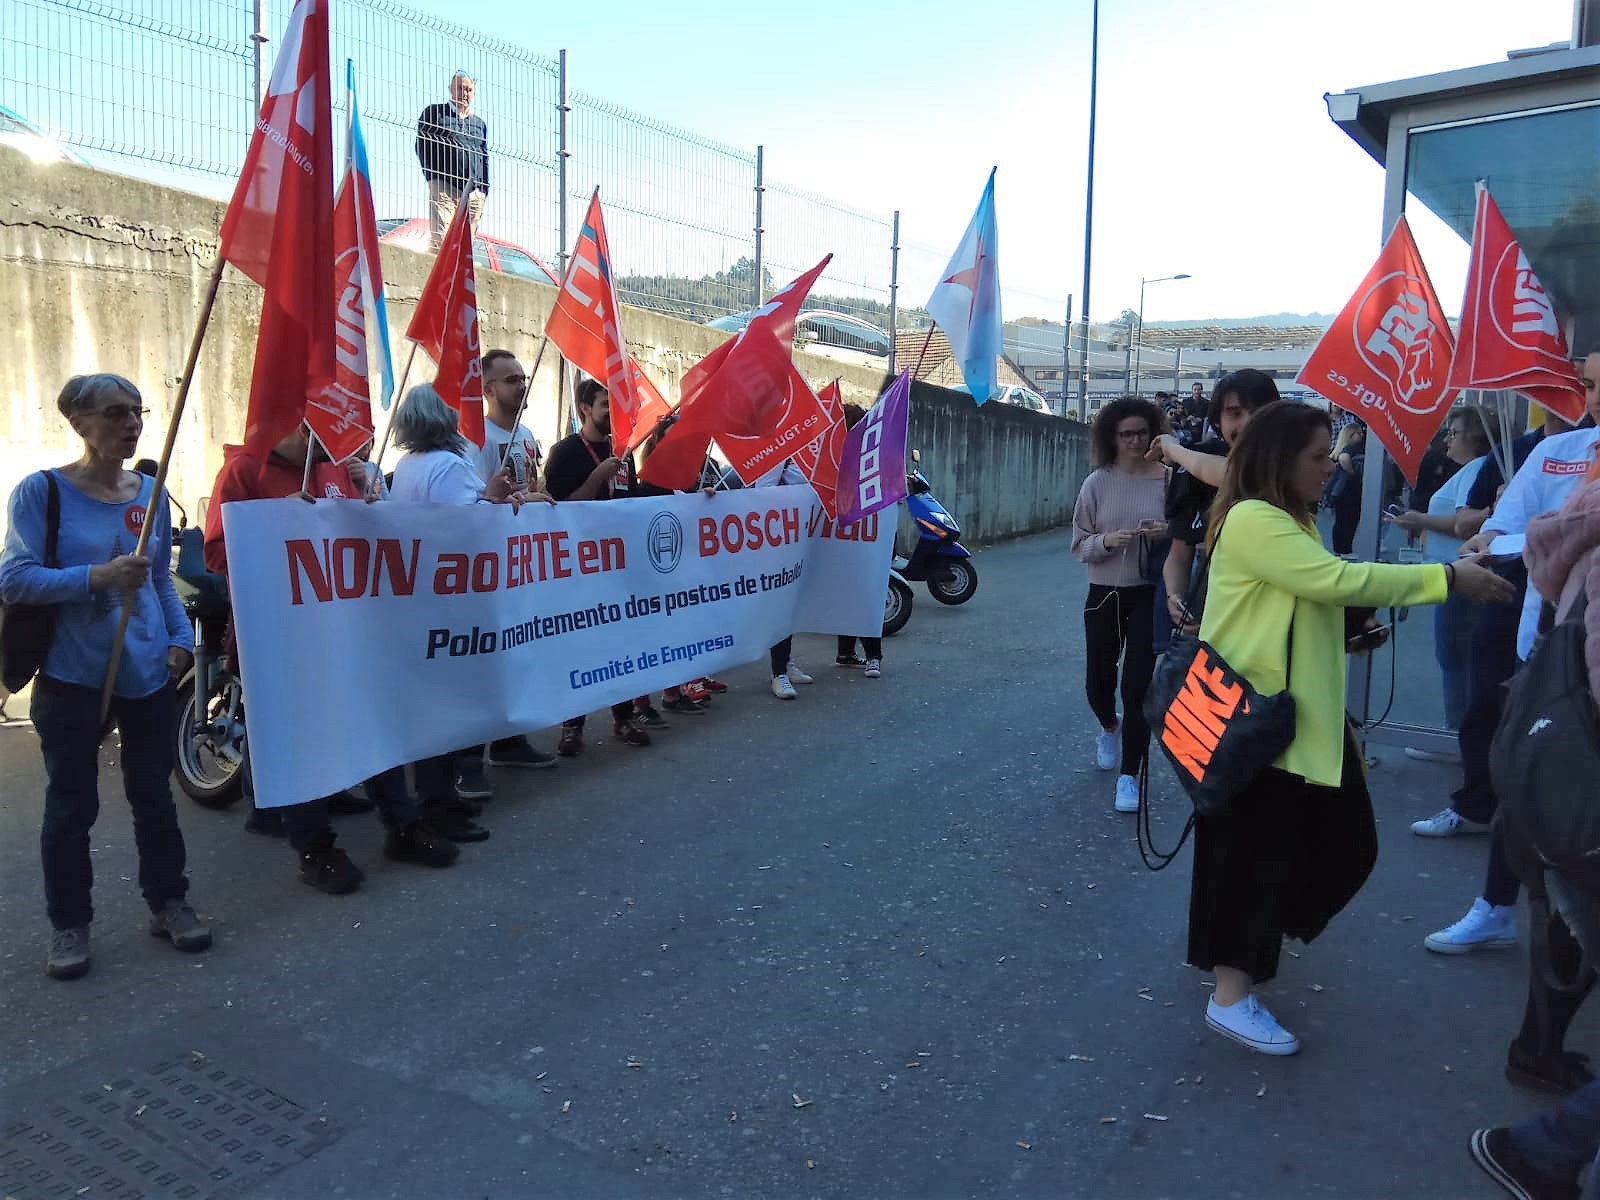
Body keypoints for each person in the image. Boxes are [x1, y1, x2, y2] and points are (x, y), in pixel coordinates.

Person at [1186, 400, 1513, 1055]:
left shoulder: (1290, 519)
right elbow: (1334, 579)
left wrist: (1346, 636)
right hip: (1256, 727)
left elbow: (1303, 601)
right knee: (1251, 861)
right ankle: (1231, 991)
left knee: (1327, 848)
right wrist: (1448, 577)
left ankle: (1250, 946)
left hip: (1295, 722)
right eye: (1317, 456)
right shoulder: (1254, 517)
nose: (1330, 467)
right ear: (1281, 459)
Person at [0, 374, 210, 979]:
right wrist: (97, 577)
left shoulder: (151, 493)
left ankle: (169, 902)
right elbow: (14, 579)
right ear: (79, 423)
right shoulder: (42, 492)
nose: (133, 424)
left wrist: (179, 640)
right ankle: (69, 924)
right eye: (116, 413)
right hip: (72, 676)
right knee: (71, 807)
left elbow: (160, 580)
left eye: (138, 412)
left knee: (154, 797)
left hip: (147, 674)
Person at [204, 422, 460, 893]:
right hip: (284, 636)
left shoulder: (337, 468)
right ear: (300, 422)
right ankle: (315, 849)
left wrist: (371, 507)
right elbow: (218, 556)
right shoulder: (243, 471)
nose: (344, 439)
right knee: (298, 740)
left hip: (349, 628)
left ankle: (402, 826)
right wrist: (275, 519)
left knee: (376, 723)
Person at [1420, 351, 1600, 967]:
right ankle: (1496, 909)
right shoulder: (1557, 452)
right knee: (1526, 775)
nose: (1593, 398)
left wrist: (1541, 537)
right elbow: (1498, 529)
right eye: (1588, 384)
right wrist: (1521, 538)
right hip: (1552, 655)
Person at [1472, 467, 1600, 1189]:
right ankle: (1542, 1146)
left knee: (1570, 923)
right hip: (1582, 791)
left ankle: (1545, 1119)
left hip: (1562, 780)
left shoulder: (1583, 522)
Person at [390, 382, 543, 841]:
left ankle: (440, 798)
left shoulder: (407, 464)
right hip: (454, 604)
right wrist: (493, 498)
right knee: (450, 709)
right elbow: (467, 530)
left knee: (434, 707)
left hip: (422, 599)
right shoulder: (449, 466)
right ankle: (439, 805)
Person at [458, 348, 557, 781]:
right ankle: (465, 761)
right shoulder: (474, 440)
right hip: (488, 567)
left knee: (515, 657)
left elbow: (533, 484)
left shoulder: (527, 433)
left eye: (522, 377)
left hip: (521, 565)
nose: (521, 384)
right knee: (481, 664)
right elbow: (475, 501)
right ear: (488, 389)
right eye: (511, 379)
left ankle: (508, 741)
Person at [542, 379, 654, 752]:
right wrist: (597, 477)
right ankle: (572, 725)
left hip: (617, 569)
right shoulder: (565, 453)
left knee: (620, 644)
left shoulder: (623, 453)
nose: (613, 412)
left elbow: (632, 504)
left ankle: (624, 717)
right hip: (578, 569)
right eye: (606, 405)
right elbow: (557, 511)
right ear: (585, 409)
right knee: (580, 646)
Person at [1070, 397, 1170, 813]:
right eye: (1126, 434)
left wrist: (1166, 531)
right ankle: (1109, 726)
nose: (1135, 440)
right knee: (1098, 684)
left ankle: (1130, 775)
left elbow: (1187, 535)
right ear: (1111, 437)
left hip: (1149, 592)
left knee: (1137, 687)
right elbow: (1079, 545)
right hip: (1104, 592)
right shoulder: (1096, 483)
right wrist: (1107, 541)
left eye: (1142, 433)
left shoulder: (1168, 480)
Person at [1386, 407, 1497, 749]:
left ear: (1475, 438)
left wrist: (1419, 519)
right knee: (1460, 656)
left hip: (1459, 573)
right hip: (1459, 570)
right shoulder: (1475, 469)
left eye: (1454, 432)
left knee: (1454, 656)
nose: (1447, 439)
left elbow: (1464, 525)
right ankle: (1461, 732)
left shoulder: (1475, 469)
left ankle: (1454, 735)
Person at [1149, 369, 1279, 632]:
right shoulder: (1194, 464)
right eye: (1234, 413)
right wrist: (1175, 595)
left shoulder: (1291, 463)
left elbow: (1235, 475)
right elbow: (1179, 550)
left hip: (1276, 608)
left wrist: (1174, 449)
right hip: (1211, 607)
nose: (1248, 422)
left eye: (1259, 411)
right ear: (1217, 421)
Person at [753, 458, 817, 700]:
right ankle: (778, 672)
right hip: (780, 534)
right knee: (781, 603)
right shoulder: (779, 452)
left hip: (804, 530)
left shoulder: (811, 450)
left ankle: (786, 663)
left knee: (793, 605)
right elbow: (764, 491)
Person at [416, 71, 489, 252]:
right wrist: (433, 177)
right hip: (444, 187)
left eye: (469, 90)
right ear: (450, 89)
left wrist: (484, 189)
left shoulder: (479, 124)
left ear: (474, 93)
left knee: (464, 248)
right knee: (442, 241)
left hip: (473, 193)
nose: (464, 94)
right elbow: (422, 145)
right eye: (460, 88)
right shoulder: (434, 113)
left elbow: (484, 155)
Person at [1325, 422, 1366, 555]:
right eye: (1359, 433)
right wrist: (1352, 472)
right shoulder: (1350, 448)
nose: (1362, 435)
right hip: (1349, 490)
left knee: (1341, 520)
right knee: (1349, 520)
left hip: (1339, 491)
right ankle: (1345, 549)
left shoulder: (1340, 447)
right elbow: (1344, 458)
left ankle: (1339, 549)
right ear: (1351, 435)